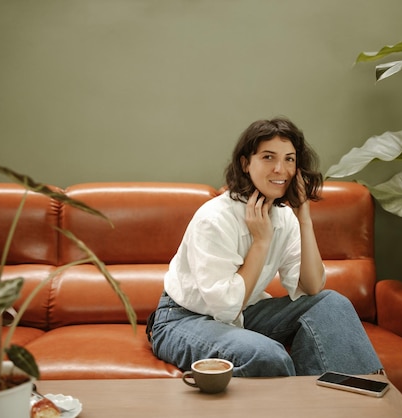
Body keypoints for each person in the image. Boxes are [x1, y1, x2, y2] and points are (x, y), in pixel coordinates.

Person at [149, 117, 382, 377]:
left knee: (331, 303)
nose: (280, 169)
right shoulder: (214, 218)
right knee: (267, 356)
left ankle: (348, 404)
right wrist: (261, 242)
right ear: (246, 163)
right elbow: (226, 308)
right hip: (183, 319)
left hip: (245, 313)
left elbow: (312, 287)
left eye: (289, 159)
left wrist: (304, 217)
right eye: (268, 157)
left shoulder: (285, 217)